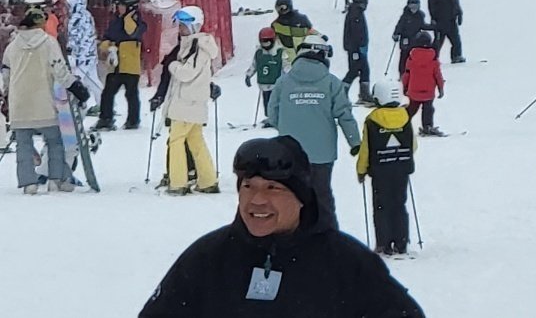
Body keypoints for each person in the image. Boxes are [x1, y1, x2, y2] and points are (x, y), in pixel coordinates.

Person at [138, 134, 426, 318]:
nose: (257, 200)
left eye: (273, 188)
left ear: (302, 198)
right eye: (248, 186)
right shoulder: (208, 258)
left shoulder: (346, 262)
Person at [269, 34, 360, 228]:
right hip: (322, 153)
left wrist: (286, 128)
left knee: (293, 195)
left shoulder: (283, 82)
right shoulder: (331, 83)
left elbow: (272, 113)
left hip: (290, 152)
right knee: (322, 195)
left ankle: (293, 236)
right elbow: (344, 115)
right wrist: (355, 142)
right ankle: (328, 236)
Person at [1, 7, 88, 193]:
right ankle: (56, 180)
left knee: (23, 145)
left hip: (20, 104)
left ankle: (28, 183)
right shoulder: (49, 43)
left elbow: (6, 74)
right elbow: (60, 71)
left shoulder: (12, 46)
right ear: (39, 23)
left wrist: (6, 95)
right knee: (54, 142)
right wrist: (77, 88)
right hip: (44, 104)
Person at [154, 6, 220, 196]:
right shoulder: (195, 44)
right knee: (196, 142)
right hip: (193, 103)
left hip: (186, 103)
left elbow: (187, 73)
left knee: (176, 142)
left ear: (194, 26)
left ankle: (178, 182)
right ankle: (208, 180)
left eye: (184, 25)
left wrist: (172, 65)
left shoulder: (197, 46)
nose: (180, 29)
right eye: (180, 25)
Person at [357, 80, 417, 255]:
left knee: (381, 206)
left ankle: (383, 243)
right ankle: (401, 242)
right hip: (402, 169)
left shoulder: (372, 120)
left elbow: (366, 149)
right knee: (399, 204)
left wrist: (361, 170)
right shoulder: (405, 117)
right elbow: (413, 145)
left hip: (380, 171)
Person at [96, 0, 145, 130]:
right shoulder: (115, 22)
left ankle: (133, 120)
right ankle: (106, 118)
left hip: (130, 64)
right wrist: (107, 46)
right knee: (108, 92)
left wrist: (128, 17)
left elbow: (132, 32)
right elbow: (106, 37)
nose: (119, 8)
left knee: (131, 94)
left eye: (122, 6)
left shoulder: (138, 21)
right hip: (115, 64)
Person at [401, 33, 445, 136]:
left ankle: (401, 123)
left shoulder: (411, 57)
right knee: (428, 109)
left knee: (412, 108)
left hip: (414, 90)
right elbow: (437, 75)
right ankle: (427, 126)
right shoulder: (433, 57)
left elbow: (407, 74)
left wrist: (405, 87)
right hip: (428, 91)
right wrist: (441, 88)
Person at [65, 0, 101, 102]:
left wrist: (70, 49)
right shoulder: (87, 15)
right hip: (90, 53)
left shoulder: (76, 17)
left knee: (76, 80)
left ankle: (76, 103)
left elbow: (74, 36)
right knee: (93, 81)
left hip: (81, 55)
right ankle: (106, 103)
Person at [245, 27, 283, 126]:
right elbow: (254, 65)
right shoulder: (259, 53)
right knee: (266, 103)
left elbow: (286, 66)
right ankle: (270, 118)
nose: (265, 45)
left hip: (276, 83)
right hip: (264, 83)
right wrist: (248, 75)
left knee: (275, 103)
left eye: (267, 42)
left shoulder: (279, 52)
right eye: (263, 42)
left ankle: (276, 119)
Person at [428, 0, 465, 64]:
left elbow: (456, 2)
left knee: (456, 40)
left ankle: (456, 56)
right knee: (438, 41)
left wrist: (459, 13)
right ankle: (432, 58)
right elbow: (431, 4)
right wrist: (433, 17)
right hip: (440, 21)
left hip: (451, 20)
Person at [341, 0, 372, 105]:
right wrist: (356, 49)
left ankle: (364, 94)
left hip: (359, 48)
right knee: (354, 71)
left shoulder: (357, 11)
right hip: (356, 49)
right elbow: (355, 33)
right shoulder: (355, 13)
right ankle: (341, 93)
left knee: (364, 71)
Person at [271, 0, 315, 67]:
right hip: (288, 60)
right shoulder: (276, 24)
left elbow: (310, 31)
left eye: (283, 7)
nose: (281, 10)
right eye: (278, 8)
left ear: (289, 6)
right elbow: (273, 40)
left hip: (303, 54)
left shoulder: (302, 19)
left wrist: (321, 36)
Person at [392, 0, 432, 75]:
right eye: (412, 6)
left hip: (416, 38)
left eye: (415, 6)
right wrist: (396, 34)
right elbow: (399, 26)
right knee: (404, 55)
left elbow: (422, 25)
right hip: (405, 39)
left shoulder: (420, 15)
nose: (413, 9)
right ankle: (402, 73)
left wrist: (433, 27)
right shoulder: (405, 16)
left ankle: (414, 72)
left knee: (415, 55)